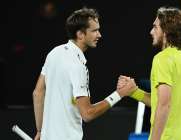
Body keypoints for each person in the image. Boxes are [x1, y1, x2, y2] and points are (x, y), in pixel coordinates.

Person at [33, 7, 136, 140]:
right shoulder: (77, 66)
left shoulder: (54, 53)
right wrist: (119, 94)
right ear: (80, 34)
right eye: (94, 31)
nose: (99, 35)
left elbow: (38, 93)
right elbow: (87, 114)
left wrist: (40, 131)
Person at [118, 6, 181, 140]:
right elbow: (163, 101)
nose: (151, 31)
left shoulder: (162, 59)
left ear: (166, 31)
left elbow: (164, 104)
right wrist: (134, 91)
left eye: (155, 27)